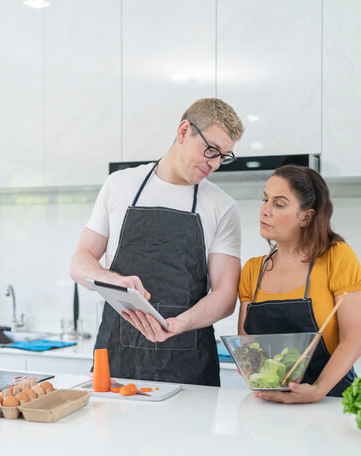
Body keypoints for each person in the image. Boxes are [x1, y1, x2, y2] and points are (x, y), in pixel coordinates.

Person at [70, 98, 245, 386]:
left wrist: (182, 324)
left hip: (190, 370)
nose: (214, 164)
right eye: (210, 150)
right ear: (183, 131)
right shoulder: (120, 185)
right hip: (117, 364)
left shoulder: (222, 206)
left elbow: (226, 296)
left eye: (223, 156)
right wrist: (110, 279)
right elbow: (80, 262)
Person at [237, 165, 361, 403]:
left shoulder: (336, 257)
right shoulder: (252, 270)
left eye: (279, 204)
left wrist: (317, 390)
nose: (264, 210)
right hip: (269, 403)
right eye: (265, 199)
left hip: (331, 401)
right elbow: (248, 345)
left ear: (306, 216)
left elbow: (354, 339)